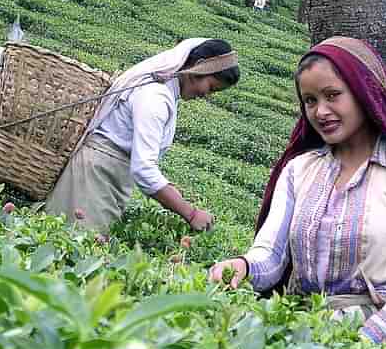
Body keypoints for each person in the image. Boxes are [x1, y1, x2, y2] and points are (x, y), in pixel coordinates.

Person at [209, 37, 386, 349]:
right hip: (312, 339)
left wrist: (362, 339)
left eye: (333, 95)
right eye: (309, 100)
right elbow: (272, 256)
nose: (320, 111)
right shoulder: (299, 171)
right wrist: (244, 267)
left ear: (365, 92)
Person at [45, 38, 240, 232]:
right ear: (199, 68)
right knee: (71, 245)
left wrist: (170, 189)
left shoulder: (167, 94)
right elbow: (143, 169)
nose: (207, 95)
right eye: (211, 87)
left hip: (107, 176)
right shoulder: (155, 97)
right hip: (94, 177)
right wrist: (191, 213)